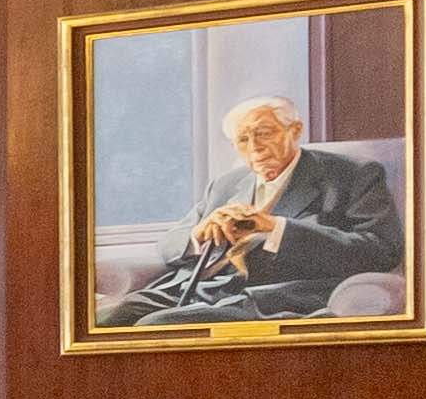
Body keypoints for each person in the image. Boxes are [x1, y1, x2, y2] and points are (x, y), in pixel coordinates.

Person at [111, 95, 405, 326]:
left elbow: (380, 251)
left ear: (295, 131)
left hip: (272, 295)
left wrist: (274, 227)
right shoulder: (227, 183)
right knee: (111, 320)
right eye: (243, 139)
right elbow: (169, 245)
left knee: (156, 326)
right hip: (194, 288)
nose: (255, 147)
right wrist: (199, 234)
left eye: (264, 133)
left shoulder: (350, 175)